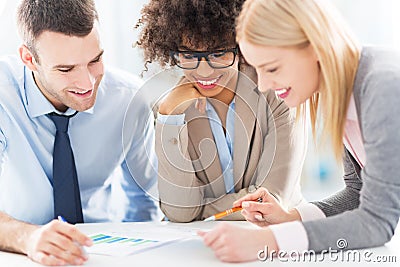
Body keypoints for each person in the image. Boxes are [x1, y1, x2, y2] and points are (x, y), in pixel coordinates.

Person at [198, 0, 400, 262]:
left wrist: (270, 242)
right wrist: (291, 218)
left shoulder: (382, 88)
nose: (263, 85)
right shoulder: (340, 88)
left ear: (316, 45)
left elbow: (377, 221)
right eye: (257, 69)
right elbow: (359, 193)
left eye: (271, 68)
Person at [0, 0, 159, 265]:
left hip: (105, 250)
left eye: (95, 60)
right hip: (19, 251)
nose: (87, 83)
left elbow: (143, 199)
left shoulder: (129, 99)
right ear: (29, 59)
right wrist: (26, 238)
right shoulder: (4, 97)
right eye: (66, 69)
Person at [136, 0, 306, 223]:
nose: (204, 71)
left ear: (241, 47)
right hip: (202, 246)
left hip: (276, 238)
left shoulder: (277, 92)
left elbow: (270, 200)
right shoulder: (172, 109)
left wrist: (200, 213)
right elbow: (179, 213)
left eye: (218, 54)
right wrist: (169, 118)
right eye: (188, 55)